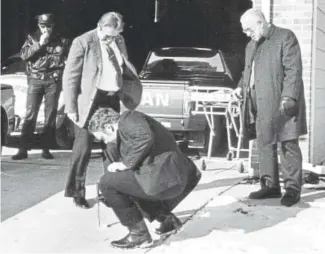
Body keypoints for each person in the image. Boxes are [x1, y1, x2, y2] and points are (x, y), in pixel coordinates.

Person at [87, 107, 201, 249]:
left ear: (108, 127)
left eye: (103, 138)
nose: (106, 142)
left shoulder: (128, 118)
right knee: (121, 183)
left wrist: (125, 164)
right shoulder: (125, 134)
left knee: (107, 183)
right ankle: (166, 219)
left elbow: (144, 137)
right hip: (171, 180)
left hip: (164, 180)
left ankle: (139, 235)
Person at [62, 12, 142, 209]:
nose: (111, 39)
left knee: (112, 146)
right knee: (83, 148)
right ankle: (77, 192)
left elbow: (122, 66)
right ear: (100, 27)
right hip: (89, 101)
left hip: (110, 98)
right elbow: (70, 76)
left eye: (115, 35)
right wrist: (71, 107)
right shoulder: (83, 42)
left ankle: (113, 190)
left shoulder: (119, 40)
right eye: (108, 35)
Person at [233, 9, 307, 207]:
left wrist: (289, 97)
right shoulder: (251, 46)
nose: (247, 34)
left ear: (261, 22)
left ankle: (292, 189)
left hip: (282, 103)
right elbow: (247, 71)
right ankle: (270, 186)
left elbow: (293, 71)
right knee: (265, 143)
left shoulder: (285, 37)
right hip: (260, 104)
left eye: (249, 29)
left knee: (288, 144)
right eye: (245, 31)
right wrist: (240, 88)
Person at [12, 13, 69, 160]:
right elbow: (24, 55)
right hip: (35, 80)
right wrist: (39, 44)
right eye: (43, 26)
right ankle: (23, 149)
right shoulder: (32, 38)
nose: (46, 29)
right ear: (38, 25)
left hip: (53, 81)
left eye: (49, 26)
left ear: (53, 25)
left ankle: (46, 148)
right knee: (30, 114)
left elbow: (68, 60)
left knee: (50, 115)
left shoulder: (61, 40)